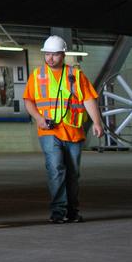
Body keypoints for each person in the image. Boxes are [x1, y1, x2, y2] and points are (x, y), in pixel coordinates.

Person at [22, 35, 104, 223]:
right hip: (49, 131)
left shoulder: (76, 75)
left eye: (55, 54)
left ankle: (72, 211)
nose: (50, 58)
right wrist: (39, 118)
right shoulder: (37, 75)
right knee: (56, 169)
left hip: (74, 132)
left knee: (73, 174)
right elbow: (28, 100)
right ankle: (58, 212)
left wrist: (97, 122)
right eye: (47, 54)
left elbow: (88, 99)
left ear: (63, 55)